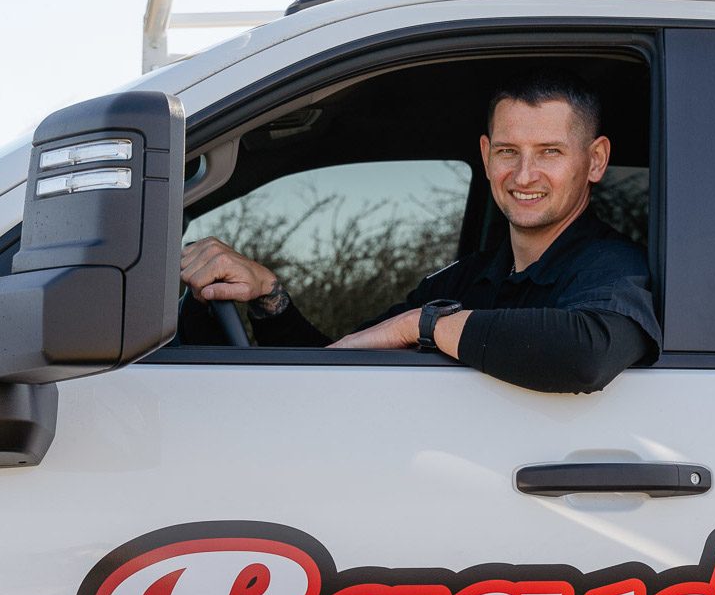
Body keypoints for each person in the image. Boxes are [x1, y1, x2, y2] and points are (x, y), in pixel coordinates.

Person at [179, 72, 660, 393]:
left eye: (550, 152)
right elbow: (340, 365)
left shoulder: (613, 266)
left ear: (594, 160)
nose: (524, 175)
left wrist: (421, 326)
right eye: (509, 151)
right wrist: (269, 294)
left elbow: (587, 354)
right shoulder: (465, 280)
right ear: (487, 154)